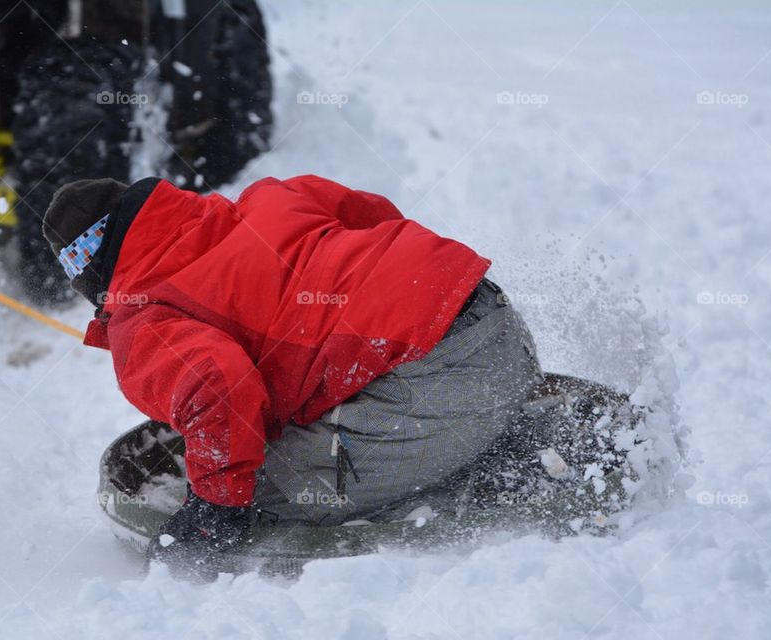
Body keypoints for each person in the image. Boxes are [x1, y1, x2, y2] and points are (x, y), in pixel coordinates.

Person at [42, 175, 543, 567]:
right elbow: (371, 212)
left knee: (263, 487)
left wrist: (215, 512)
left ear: (87, 274)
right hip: (496, 324)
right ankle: (487, 433)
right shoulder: (271, 197)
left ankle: (467, 456)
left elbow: (219, 389)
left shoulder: (143, 318)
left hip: (440, 383)